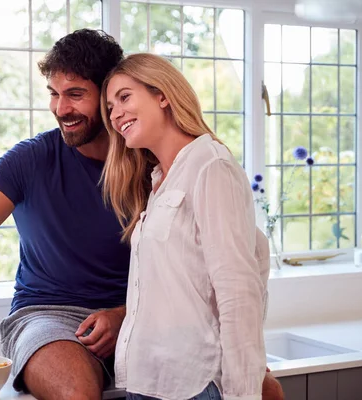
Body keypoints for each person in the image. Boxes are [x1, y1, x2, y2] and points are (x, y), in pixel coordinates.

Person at [0, 30, 284, 400]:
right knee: (77, 392)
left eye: (76, 94)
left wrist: (123, 315)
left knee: (266, 391)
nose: (60, 109)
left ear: (107, 95)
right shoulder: (30, 160)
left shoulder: (155, 163)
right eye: (54, 94)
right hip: (50, 316)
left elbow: (229, 261)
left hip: (145, 315)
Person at [101, 53, 272, 400]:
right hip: (148, 381)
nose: (115, 114)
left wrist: (243, 394)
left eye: (124, 97)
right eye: (109, 107)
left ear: (162, 95)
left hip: (193, 384)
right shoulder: (159, 180)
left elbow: (237, 291)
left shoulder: (210, 166)